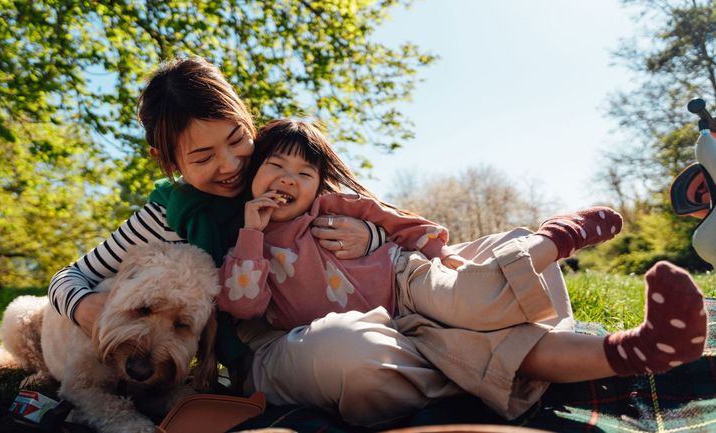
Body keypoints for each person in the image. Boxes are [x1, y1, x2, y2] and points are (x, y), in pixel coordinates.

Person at [212, 119, 708, 425]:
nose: (288, 180)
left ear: (319, 182)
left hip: (403, 279)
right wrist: (252, 233)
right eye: (275, 166)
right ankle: (637, 350)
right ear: (254, 173)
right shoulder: (246, 242)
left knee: (470, 288)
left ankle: (548, 241)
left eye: (304, 173)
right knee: (489, 328)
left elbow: (398, 220)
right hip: (387, 328)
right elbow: (243, 304)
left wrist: (432, 248)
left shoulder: (335, 206)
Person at [46, 57, 383, 386]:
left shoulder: (279, 171)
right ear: (167, 160)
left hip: (352, 309)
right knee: (354, 357)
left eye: (237, 139)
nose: (231, 164)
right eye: (203, 157)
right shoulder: (166, 218)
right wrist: (83, 306)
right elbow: (69, 276)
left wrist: (370, 235)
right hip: (264, 350)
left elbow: (373, 213)